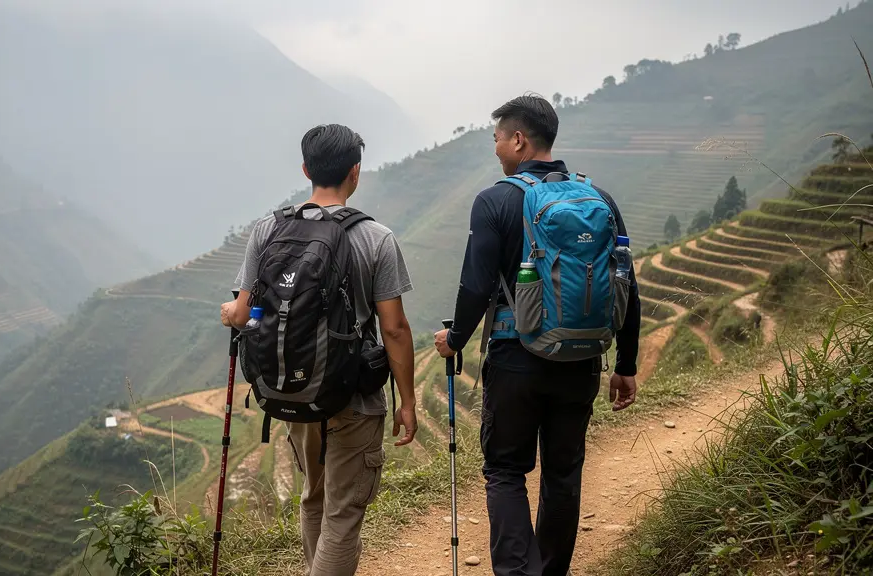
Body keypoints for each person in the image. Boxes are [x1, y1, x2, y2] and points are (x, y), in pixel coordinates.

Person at [433, 94, 641, 576]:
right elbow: (626, 284)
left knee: (505, 470)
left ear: (519, 139)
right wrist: (626, 365)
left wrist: (456, 339)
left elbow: (476, 285)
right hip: (582, 360)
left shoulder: (496, 200)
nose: (497, 149)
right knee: (563, 474)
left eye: (499, 139)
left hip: (516, 358)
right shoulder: (599, 200)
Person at [221, 123, 417, 576]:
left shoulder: (268, 230)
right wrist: (408, 400)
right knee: (342, 516)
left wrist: (229, 312)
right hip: (353, 395)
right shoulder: (376, 238)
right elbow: (395, 329)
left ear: (306, 169)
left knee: (314, 496)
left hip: (292, 390)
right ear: (356, 172)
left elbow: (244, 311)